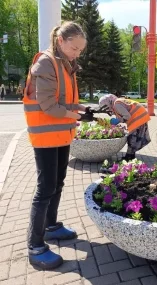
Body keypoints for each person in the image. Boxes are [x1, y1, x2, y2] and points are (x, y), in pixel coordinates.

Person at [23, 21, 94, 270]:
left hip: (60, 135)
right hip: (45, 138)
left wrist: (84, 109)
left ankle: (51, 226)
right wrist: (77, 116)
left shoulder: (65, 64)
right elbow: (48, 106)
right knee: (45, 189)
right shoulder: (46, 63)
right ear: (61, 41)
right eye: (74, 48)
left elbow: (65, 101)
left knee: (58, 183)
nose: (77, 54)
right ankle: (35, 246)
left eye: (80, 51)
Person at [99, 94, 151, 161]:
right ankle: (131, 155)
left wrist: (117, 121)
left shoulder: (116, 105)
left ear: (108, 103)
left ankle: (129, 157)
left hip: (138, 117)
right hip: (140, 116)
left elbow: (127, 116)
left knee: (131, 137)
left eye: (106, 107)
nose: (107, 110)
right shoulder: (117, 103)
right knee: (134, 137)